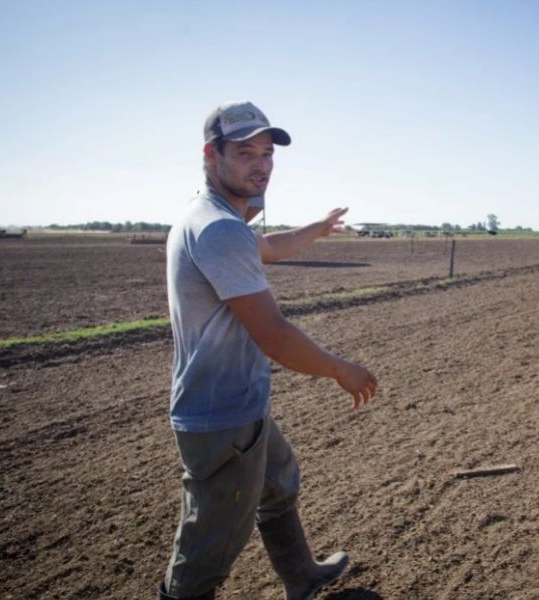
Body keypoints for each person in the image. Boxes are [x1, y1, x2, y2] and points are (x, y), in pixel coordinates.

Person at [160, 100, 377, 600]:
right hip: (222, 417)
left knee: (278, 481)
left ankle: (301, 577)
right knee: (206, 550)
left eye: (267, 153)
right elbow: (273, 334)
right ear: (211, 155)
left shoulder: (212, 218)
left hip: (239, 405)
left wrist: (319, 228)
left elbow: (270, 246)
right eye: (245, 152)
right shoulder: (218, 228)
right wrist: (339, 369)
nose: (261, 164)